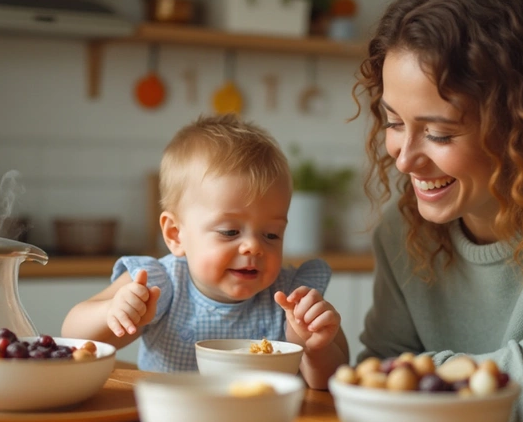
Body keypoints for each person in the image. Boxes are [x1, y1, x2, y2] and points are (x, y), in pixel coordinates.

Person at [352, 0, 523, 422]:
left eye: (439, 134)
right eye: (394, 123)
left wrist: (409, 377)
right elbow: (376, 370)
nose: (404, 159)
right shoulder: (404, 233)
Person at [61, 114, 349, 390]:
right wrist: (114, 311)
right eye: (230, 232)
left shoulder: (292, 297)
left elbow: (330, 382)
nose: (254, 246)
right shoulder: (158, 283)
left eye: (271, 234)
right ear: (176, 234)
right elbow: (72, 336)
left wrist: (314, 346)